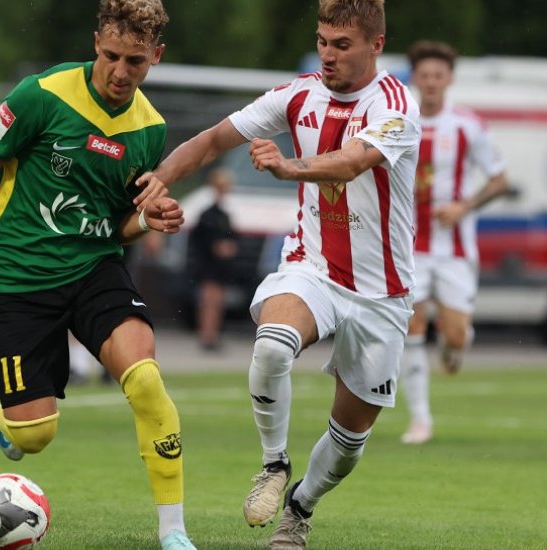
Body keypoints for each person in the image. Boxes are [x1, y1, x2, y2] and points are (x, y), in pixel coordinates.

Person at [138, 1, 419, 547]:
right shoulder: (296, 94)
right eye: (323, 41)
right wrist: (160, 179)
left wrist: (287, 166)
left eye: (343, 45)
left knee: (349, 443)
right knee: (271, 346)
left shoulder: (396, 105)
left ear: (375, 45)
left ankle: (300, 507)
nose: (328, 54)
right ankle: (273, 464)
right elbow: (213, 141)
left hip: (381, 293)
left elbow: (354, 160)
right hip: (311, 266)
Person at [0, 1, 196, 548]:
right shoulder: (41, 93)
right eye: (110, 56)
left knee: (146, 381)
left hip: (92, 268)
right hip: (16, 273)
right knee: (34, 435)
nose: (120, 72)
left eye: (135, 61)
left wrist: (150, 218)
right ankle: (11, 415)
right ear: (96, 44)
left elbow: (121, 220)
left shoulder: (150, 129)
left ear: (156, 56)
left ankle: (174, 532)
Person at [399, 40, 514, 445]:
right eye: (425, 75)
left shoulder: (467, 125)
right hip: (408, 246)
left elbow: (500, 180)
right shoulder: (397, 121)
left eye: (438, 76)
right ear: (415, 78)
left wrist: (464, 206)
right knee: (410, 325)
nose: (431, 83)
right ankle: (420, 420)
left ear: (449, 80)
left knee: (456, 334)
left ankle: (455, 345)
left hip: (455, 249)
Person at [188, 167, 239, 350]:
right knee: (209, 301)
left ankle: (213, 334)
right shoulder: (208, 214)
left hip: (220, 267)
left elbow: (233, 237)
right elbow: (201, 240)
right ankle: (206, 335)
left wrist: (229, 247)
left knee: (217, 302)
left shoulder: (224, 215)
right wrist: (216, 247)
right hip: (208, 265)